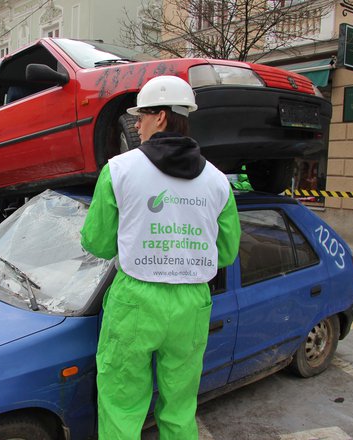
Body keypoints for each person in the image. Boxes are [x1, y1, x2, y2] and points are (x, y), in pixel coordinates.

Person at [80, 75, 241, 439]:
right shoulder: (218, 181)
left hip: (136, 300)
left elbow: (98, 244)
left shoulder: (119, 170)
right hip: (192, 305)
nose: (136, 125)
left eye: (141, 117)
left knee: (122, 407)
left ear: (162, 117)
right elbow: (227, 252)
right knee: (180, 408)